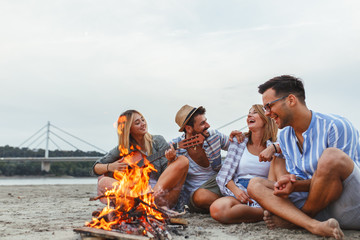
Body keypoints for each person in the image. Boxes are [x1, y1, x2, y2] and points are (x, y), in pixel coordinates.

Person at [247, 75, 360, 239]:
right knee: (255, 184)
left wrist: (297, 188)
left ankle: (297, 220)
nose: (267, 113)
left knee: (331, 157)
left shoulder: (336, 125)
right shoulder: (285, 136)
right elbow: (305, 180)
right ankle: (313, 225)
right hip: (319, 207)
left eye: (269, 106)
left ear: (291, 100)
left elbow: (341, 180)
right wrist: (292, 184)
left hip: (349, 205)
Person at [93, 109, 189, 210]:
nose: (143, 124)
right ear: (129, 129)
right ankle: (139, 202)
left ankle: (148, 201)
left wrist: (170, 160)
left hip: (161, 196)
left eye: (143, 120)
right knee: (103, 182)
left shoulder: (157, 141)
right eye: (137, 123)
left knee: (182, 160)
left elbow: (168, 175)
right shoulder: (123, 148)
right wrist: (110, 166)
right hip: (133, 195)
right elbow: (95, 168)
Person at [210, 104, 286, 224]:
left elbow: (294, 149)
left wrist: (274, 148)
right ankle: (267, 212)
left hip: (263, 191)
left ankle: (267, 208)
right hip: (240, 189)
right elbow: (225, 175)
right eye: (249, 112)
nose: (249, 115)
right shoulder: (238, 142)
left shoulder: (276, 146)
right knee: (217, 209)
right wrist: (236, 190)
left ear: (266, 118)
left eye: (255, 112)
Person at [169, 104, 242, 213]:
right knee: (201, 197)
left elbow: (238, 148)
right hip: (197, 195)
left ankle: (238, 205)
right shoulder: (175, 147)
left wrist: (239, 137)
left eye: (206, 121)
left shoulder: (214, 136)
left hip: (220, 182)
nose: (208, 125)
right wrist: (170, 160)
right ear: (189, 128)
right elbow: (171, 180)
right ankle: (238, 206)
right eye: (202, 123)